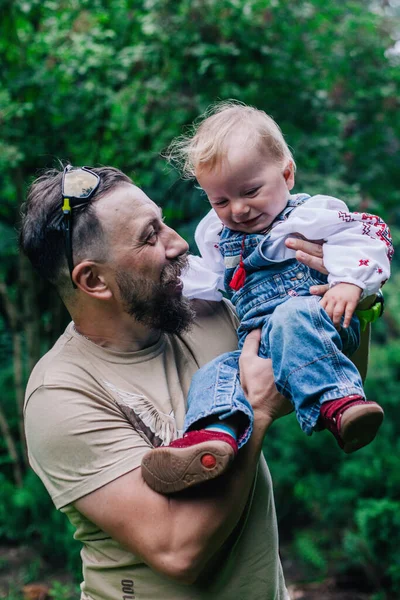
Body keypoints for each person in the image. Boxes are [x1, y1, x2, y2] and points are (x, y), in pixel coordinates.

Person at [20, 164, 331, 600]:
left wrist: (342, 290)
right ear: (93, 280)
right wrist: (255, 414)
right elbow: (178, 550)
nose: (178, 242)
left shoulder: (200, 308)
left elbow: (330, 374)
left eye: (162, 222)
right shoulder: (61, 396)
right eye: (150, 236)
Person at [141, 101, 392, 495]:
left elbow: (369, 234)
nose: (237, 210)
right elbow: (211, 277)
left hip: (316, 319)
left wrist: (351, 282)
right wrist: (167, 283)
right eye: (220, 201)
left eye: (250, 192)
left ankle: (341, 404)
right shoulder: (215, 235)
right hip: (259, 342)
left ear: (287, 174)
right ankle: (212, 437)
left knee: (292, 315)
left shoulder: (308, 215)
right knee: (217, 372)